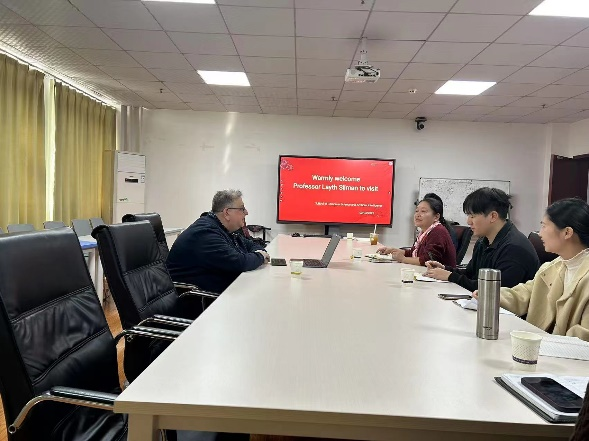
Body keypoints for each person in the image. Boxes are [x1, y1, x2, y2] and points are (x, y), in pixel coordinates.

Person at [474, 198, 589, 341]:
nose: (540, 233)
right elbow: (526, 293)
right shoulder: (553, 267)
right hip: (539, 346)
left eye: (544, 226)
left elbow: (584, 335)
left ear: (567, 232)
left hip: (567, 352)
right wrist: (492, 295)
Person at [424, 187, 539, 291]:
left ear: (493, 216)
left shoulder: (514, 248)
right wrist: (446, 269)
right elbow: (471, 273)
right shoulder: (483, 241)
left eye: (472, 216)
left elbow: (495, 291)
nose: (468, 221)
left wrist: (450, 276)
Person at [167, 190, 269, 293]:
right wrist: (260, 256)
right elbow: (239, 262)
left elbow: (251, 245)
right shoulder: (205, 233)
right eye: (242, 209)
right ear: (227, 213)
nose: (246, 212)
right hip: (197, 298)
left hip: (217, 290)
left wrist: (259, 253)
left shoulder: (223, 229)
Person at [377, 197, 457, 267]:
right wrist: (392, 250)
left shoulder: (438, 232)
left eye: (423, 211)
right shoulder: (425, 232)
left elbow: (428, 260)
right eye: (416, 211)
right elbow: (413, 252)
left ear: (436, 217)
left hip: (440, 278)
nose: (418, 215)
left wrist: (403, 259)